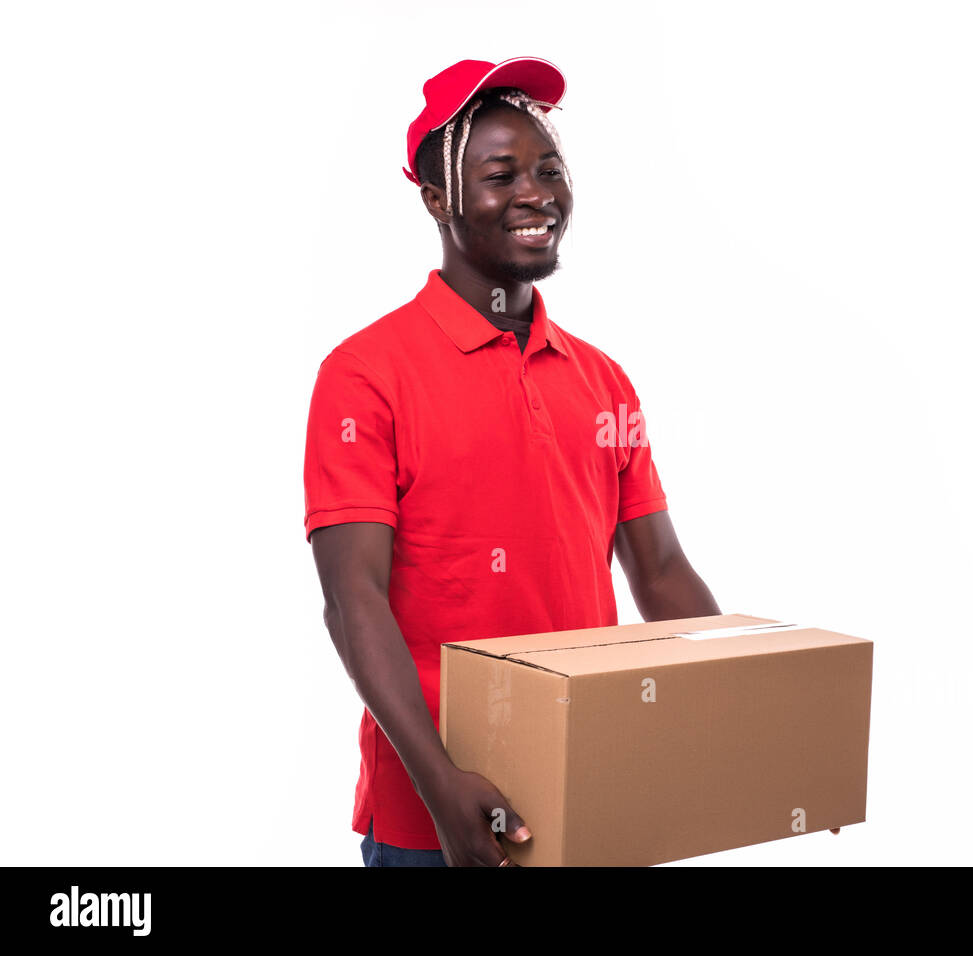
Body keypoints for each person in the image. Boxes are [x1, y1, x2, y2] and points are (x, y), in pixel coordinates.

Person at [303, 57, 721, 867]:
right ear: (436, 198)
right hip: (435, 818)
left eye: (550, 169)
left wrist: (733, 707)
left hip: (592, 796)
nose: (537, 194)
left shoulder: (602, 379)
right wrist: (442, 784)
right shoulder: (364, 375)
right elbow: (352, 601)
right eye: (501, 175)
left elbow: (662, 570)